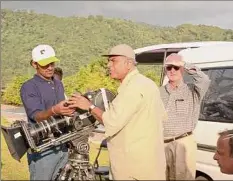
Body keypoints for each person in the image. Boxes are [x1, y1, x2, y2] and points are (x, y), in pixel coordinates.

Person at [67, 44, 167, 180]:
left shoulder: (132, 88)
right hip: (149, 165)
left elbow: (110, 121)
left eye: (113, 60)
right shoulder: (147, 84)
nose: (109, 65)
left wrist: (89, 106)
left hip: (133, 168)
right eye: (109, 61)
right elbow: (162, 116)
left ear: (129, 63)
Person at [20, 44, 75, 180]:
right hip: (44, 149)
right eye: (45, 65)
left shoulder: (58, 83)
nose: (50, 67)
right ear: (34, 64)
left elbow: (63, 111)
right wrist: (54, 110)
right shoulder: (28, 87)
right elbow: (37, 116)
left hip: (63, 144)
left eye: (52, 63)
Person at [159, 53, 211, 180]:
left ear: (182, 69)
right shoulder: (158, 91)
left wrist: (184, 64)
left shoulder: (193, 91)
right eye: (169, 67)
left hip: (183, 143)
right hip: (161, 143)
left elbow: (205, 80)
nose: (172, 70)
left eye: (176, 67)